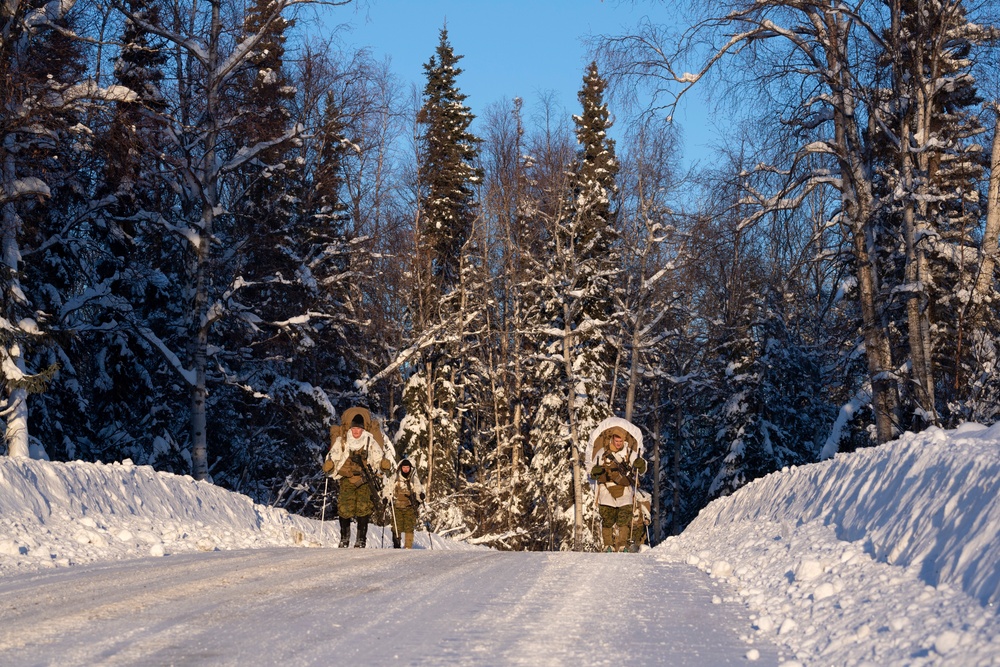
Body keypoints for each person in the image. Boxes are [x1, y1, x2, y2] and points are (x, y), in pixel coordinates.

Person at [324, 412, 392, 548]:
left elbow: (378, 458)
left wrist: (383, 464)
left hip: (364, 479)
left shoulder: (369, 441)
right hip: (346, 479)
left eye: (359, 429)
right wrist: (329, 465)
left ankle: (361, 539)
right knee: (344, 508)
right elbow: (333, 456)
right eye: (354, 429)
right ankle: (344, 538)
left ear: (362, 429)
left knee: (364, 508)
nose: (356, 432)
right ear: (350, 429)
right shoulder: (342, 441)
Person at [590, 430, 647, 552]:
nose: (618, 443)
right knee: (607, 518)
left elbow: (640, 469)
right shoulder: (603, 452)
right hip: (606, 489)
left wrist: (641, 465)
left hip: (624, 489)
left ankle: (622, 545)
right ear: (612, 439)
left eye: (621, 441)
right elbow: (592, 467)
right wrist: (595, 471)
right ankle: (608, 545)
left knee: (624, 518)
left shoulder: (629, 452)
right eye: (616, 441)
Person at [383, 458, 425, 549]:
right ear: (401, 468)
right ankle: (396, 546)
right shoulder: (395, 478)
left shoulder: (414, 479)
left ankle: (408, 547)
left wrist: (420, 497)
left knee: (409, 527)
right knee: (396, 528)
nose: (406, 469)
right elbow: (388, 489)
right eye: (404, 467)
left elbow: (419, 490)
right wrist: (386, 498)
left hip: (409, 507)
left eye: (407, 467)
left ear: (410, 468)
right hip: (397, 507)